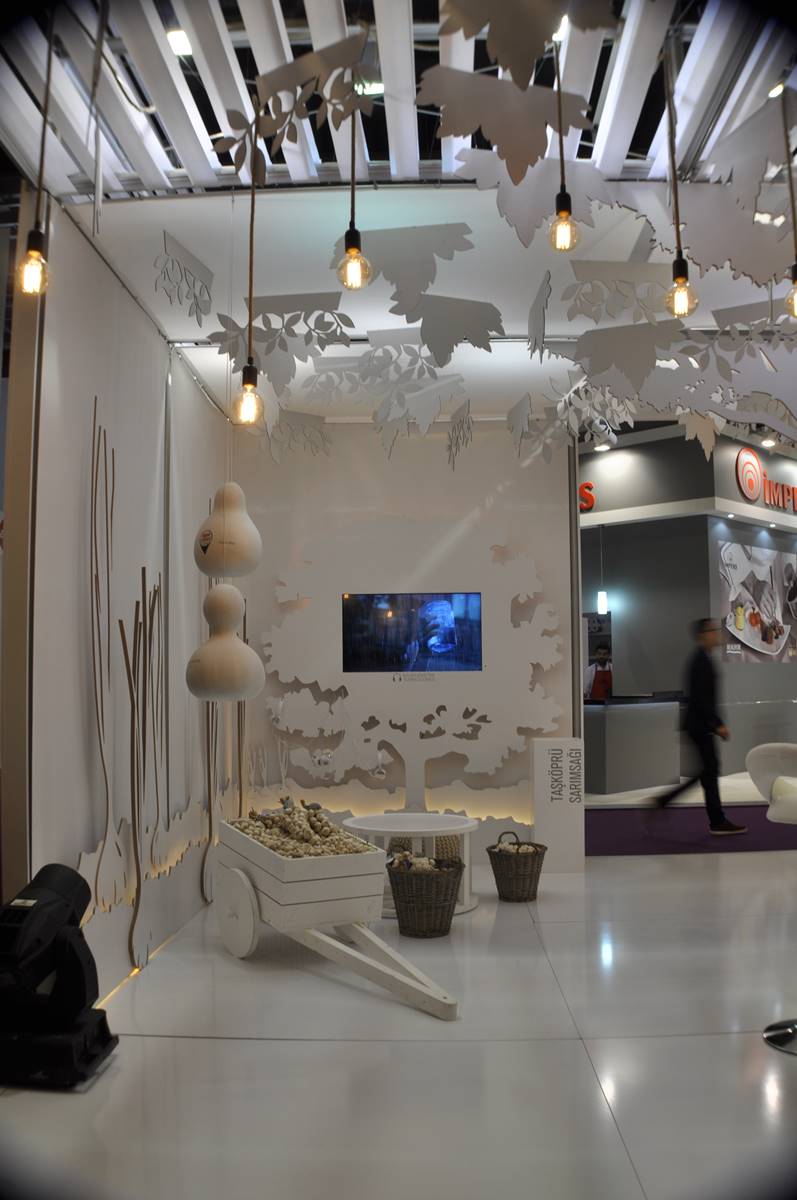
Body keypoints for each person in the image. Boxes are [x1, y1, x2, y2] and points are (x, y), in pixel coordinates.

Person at [652, 618, 746, 835]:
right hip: (700, 726)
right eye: (713, 630)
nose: (717, 634)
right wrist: (717, 724)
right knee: (709, 772)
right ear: (703, 635)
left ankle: (667, 800)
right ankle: (716, 821)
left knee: (707, 772)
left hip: (699, 725)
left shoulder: (703, 658)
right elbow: (701, 698)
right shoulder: (700, 661)